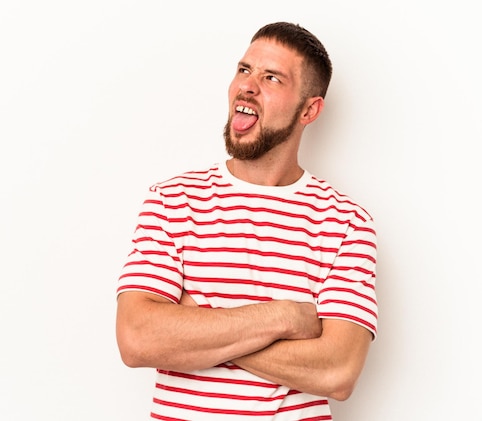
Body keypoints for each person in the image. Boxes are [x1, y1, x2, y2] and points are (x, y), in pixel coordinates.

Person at [115, 21, 377, 420]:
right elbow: (137, 338)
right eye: (244, 70)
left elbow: (337, 371)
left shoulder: (346, 224)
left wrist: (197, 321)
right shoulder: (172, 201)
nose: (248, 86)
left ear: (309, 109)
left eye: (271, 78)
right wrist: (284, 317)